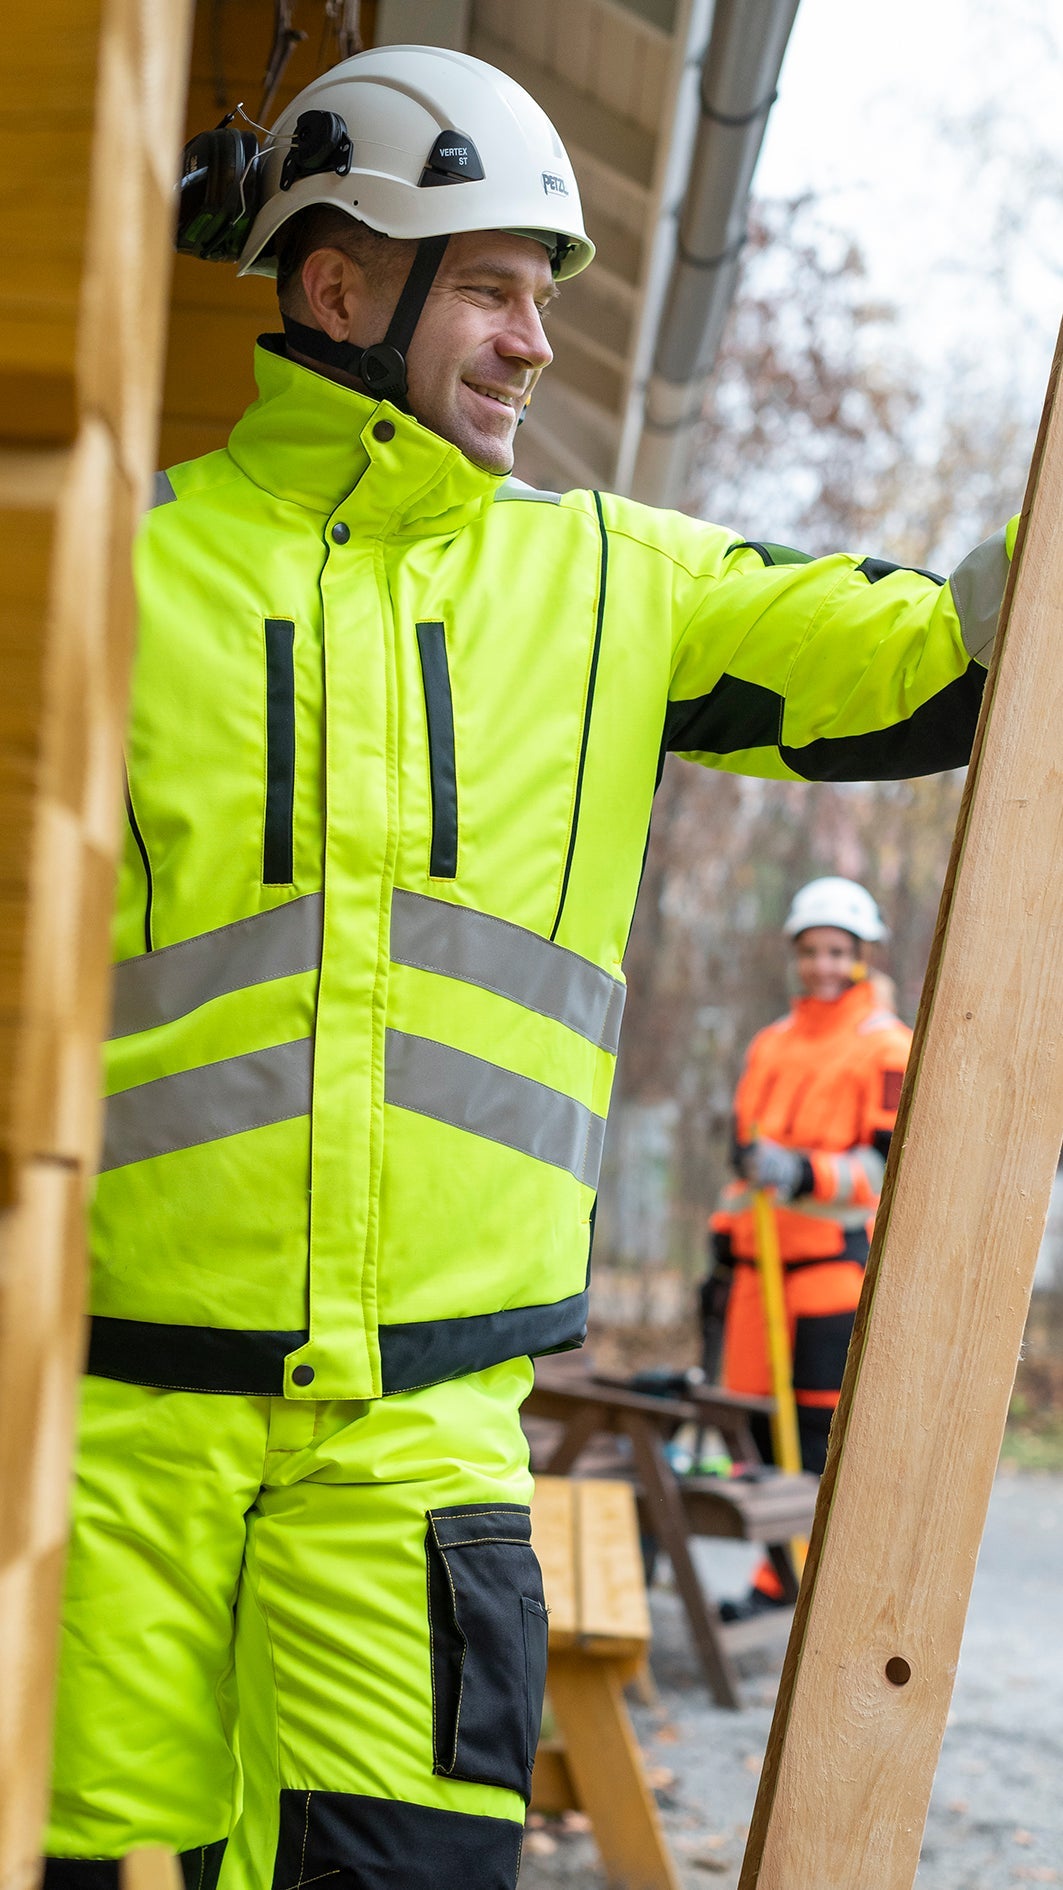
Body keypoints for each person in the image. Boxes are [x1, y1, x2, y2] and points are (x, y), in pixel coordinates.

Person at [43, 43, 1014, 1890]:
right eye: (488, 287)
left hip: (421, 1443)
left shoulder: (610, 588)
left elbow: (935, 658)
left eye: (542, 297)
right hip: (114, 1432)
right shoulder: (118, 569)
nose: (533, 341)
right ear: (341, 286)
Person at [706, 877, 912, 1621]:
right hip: (755, 1272)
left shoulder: (886, 1047)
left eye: (836, 951)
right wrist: (722, 1247)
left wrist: (800, 1171)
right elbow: (742, 1154)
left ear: (861, 955)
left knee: (824, 1436)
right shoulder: (770, 1043)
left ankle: (833, 1592)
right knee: (758, 1438)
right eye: (809, 950)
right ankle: (777, 1580)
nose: (822, 965)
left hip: (826, 1270)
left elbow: (888, 1167)